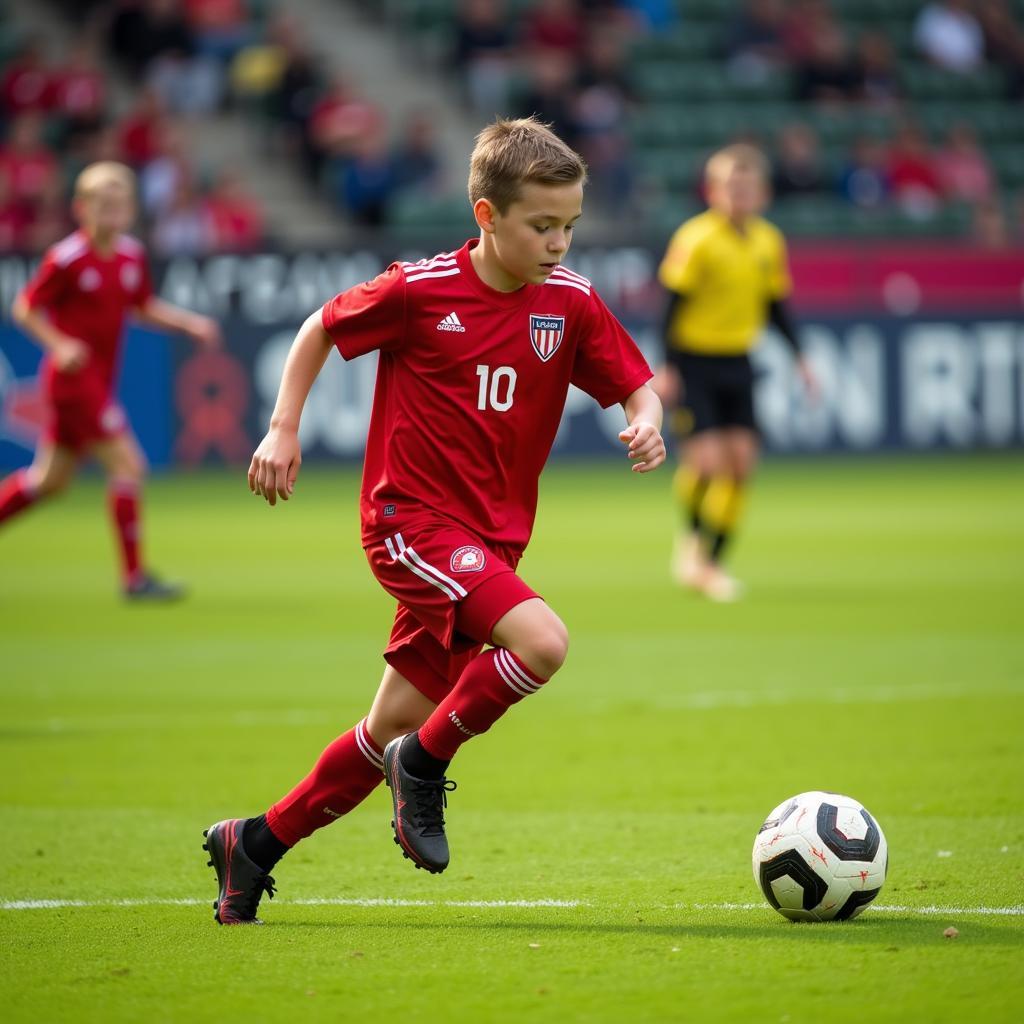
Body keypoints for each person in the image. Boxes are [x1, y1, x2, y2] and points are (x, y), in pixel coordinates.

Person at [202, 116, 665, 925]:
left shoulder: (571, 304)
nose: (559, 243)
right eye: (542, 225)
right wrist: (283, 426)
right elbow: (319, 328)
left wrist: (647, 417)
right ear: (487, 216)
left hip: (488, 544)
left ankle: (253, 844)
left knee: (380, 731)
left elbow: (635, 381)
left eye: (570, 226)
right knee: (542, 643)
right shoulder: (419, 289)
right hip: (408, 523)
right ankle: (425, 764)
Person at [0, 161, 221, 597]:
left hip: (99, 380)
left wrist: (189, 324)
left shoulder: (130, 255)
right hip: (74, 383)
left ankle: (134, 577)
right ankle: (134, 578)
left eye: (119, 204)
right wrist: (59, 344)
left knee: (49, 482)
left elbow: (142, 306)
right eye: (102, 203)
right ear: (80, 208)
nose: (111, 212)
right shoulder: (67, 258)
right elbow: (25, 308)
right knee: (129, 465)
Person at [655, 144, 815, 602]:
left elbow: (774, 305)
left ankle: (712, 562)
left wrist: (801, 356)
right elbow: (672, 305)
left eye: (747, 187)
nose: (738, 194)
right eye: (730, 186)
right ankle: (691, 544)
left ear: (762, 193)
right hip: (695, 361)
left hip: (739, 360)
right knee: (705, 463)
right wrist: (667, 367)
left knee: (741, 465)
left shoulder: (769, 241)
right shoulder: (696, 239)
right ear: (713, 191)